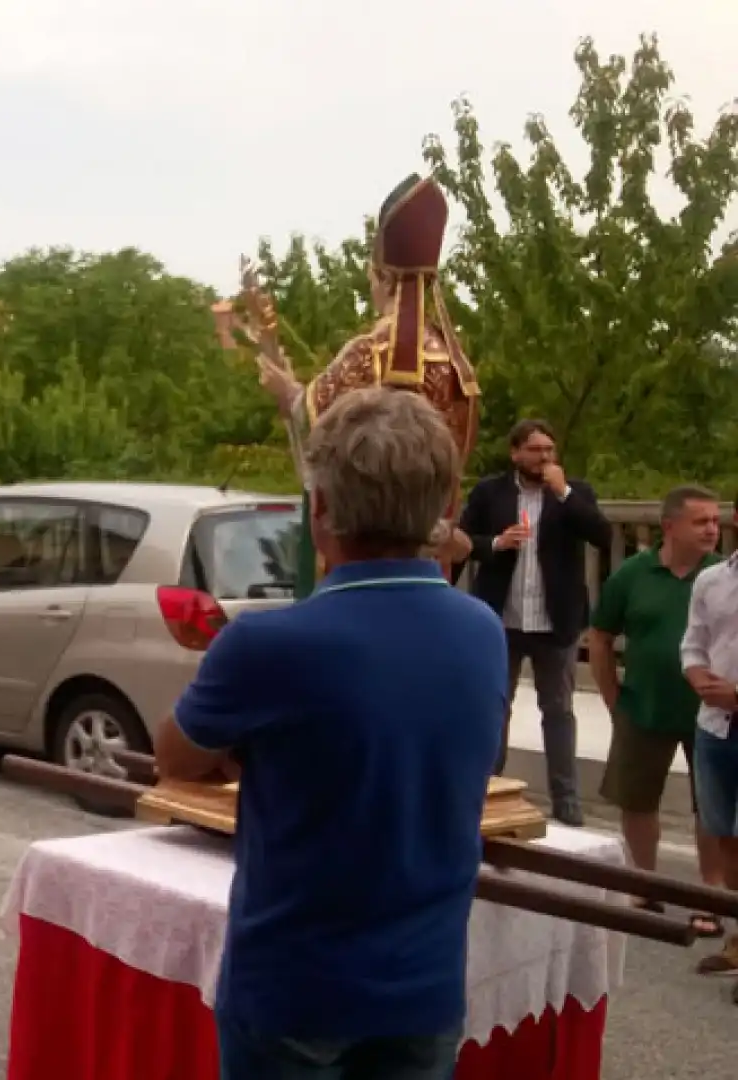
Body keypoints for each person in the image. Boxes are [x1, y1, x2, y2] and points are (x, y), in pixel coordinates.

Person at [154, 388, 505, 1080]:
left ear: (319, 510)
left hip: (295, 990)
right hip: (425, 987)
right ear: (442, 509)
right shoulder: (482, 631)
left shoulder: (265, 644)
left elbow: (174, 757)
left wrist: (246, 747)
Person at [236, 173, 478, 593]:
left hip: (363, 566)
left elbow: (327, 433)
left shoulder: (371, 351)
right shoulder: (454, 362)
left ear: (384, 278)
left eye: (372, 276)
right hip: (429, 567)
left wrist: (287, 393)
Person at [589, 485, 728, 940]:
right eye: (701, 521)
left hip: (712, 712)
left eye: (715, 521)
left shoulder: (721, 576)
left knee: (709, 809)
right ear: (670, 526)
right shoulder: (632, 574)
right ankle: (644, 886)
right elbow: (601, 636)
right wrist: (612, 698)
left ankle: (711, 894)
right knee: (637, 800)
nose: (712, 529)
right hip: (642, 705)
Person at [459, 419, 612, 826]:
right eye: (535, 450)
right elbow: (458, 541)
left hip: (554, 622)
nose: (544, 458)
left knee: (559, 710)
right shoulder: (490, 492)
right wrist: (494, 543)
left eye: (549, 450)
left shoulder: (574, 493)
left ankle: (566, 801)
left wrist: (561, 492)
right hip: (500, 620)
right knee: (495, 707)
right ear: (515, 453)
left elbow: (601, 534)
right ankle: (489, 792)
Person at [680, 519, 738, 981]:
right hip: (714, 728)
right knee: (725, 839)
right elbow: (693, 643)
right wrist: (697, 674)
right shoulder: (712, 579)